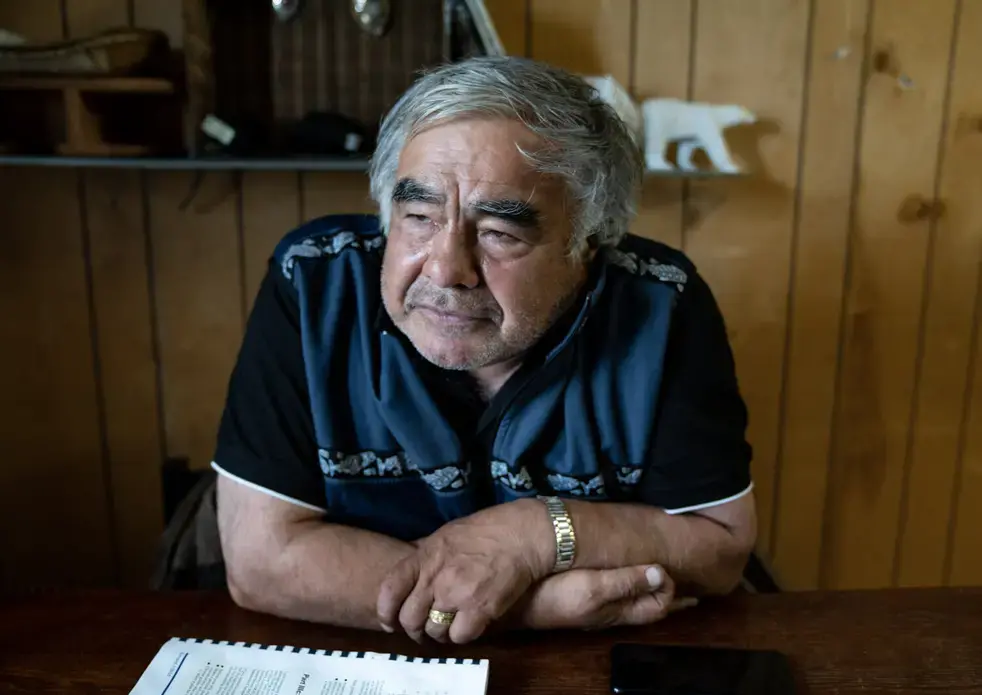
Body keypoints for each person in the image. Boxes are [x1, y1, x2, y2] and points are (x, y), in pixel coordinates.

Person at [213, 56, 756, 645]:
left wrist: (534, 534)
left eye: (499, 233)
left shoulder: (659, 303)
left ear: (588, 245)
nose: (447, 270)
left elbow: (719, 548)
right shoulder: (315, 282)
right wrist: (538, 605)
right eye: (417, 216)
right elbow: (261, 564)